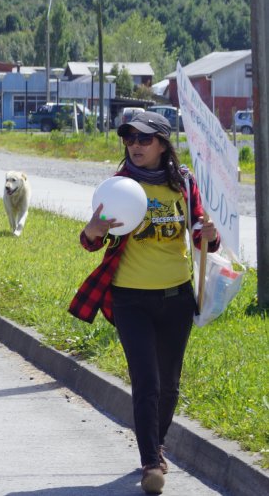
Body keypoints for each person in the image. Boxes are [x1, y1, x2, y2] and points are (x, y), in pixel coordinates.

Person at [70, 111, 218, 496]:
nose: (135, 145)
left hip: (178, 297)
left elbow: (202, 233)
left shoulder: (183, 183)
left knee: (169, 385)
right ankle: (151, 461)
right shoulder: (119, 186)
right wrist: (93, 230)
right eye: (129, 138)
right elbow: (90, 241)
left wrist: (210, 232)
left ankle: (158, 442)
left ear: (164, 144)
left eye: (144, 139)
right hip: (130, 299)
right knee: (147, 382)